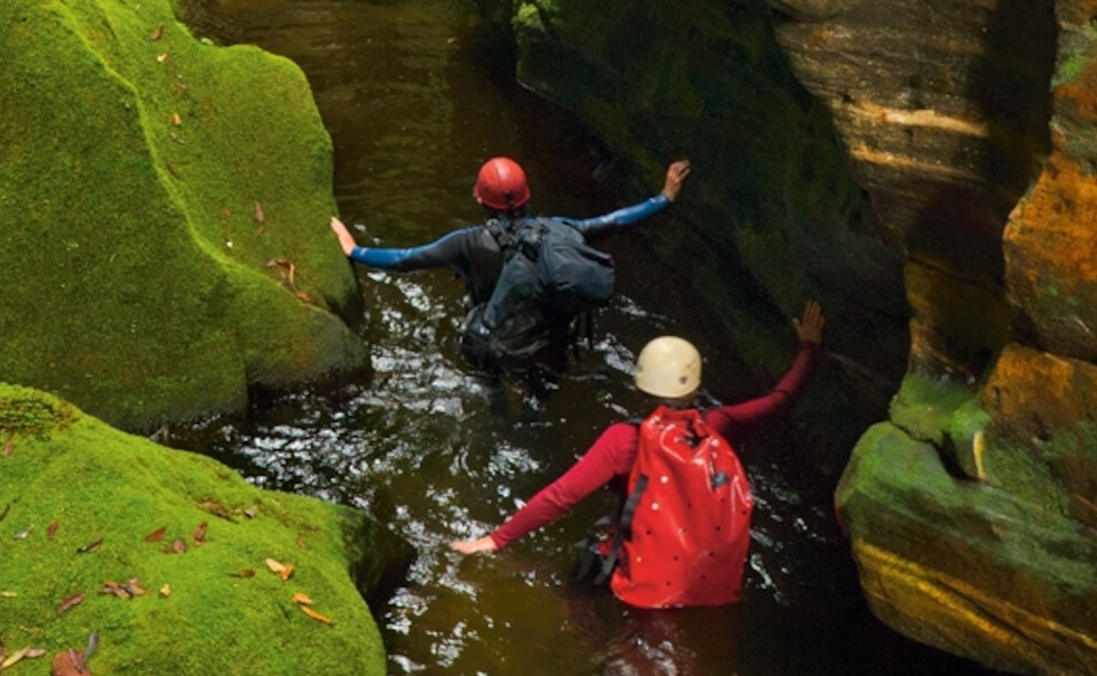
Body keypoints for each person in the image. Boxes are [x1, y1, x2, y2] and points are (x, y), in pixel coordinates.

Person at [448, 302, 825, 610]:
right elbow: (778, 402)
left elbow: (562, 496)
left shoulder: (624, 440)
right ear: (694, 384)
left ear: (641, 385)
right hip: (701, 579)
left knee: (575, 595)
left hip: (635, 573)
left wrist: (496, 540)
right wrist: (809, 348)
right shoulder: (718, 425)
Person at [330, 155, 690, 367]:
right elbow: (615, 220)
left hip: (498, 334)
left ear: (479, 197)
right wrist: (664, 196)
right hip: (548, 339)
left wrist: (354, 250)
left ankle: (499, 408)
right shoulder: (558, 230)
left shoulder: (466, 243)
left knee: (484, 355)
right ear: (526, 197)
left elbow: (405, 260)